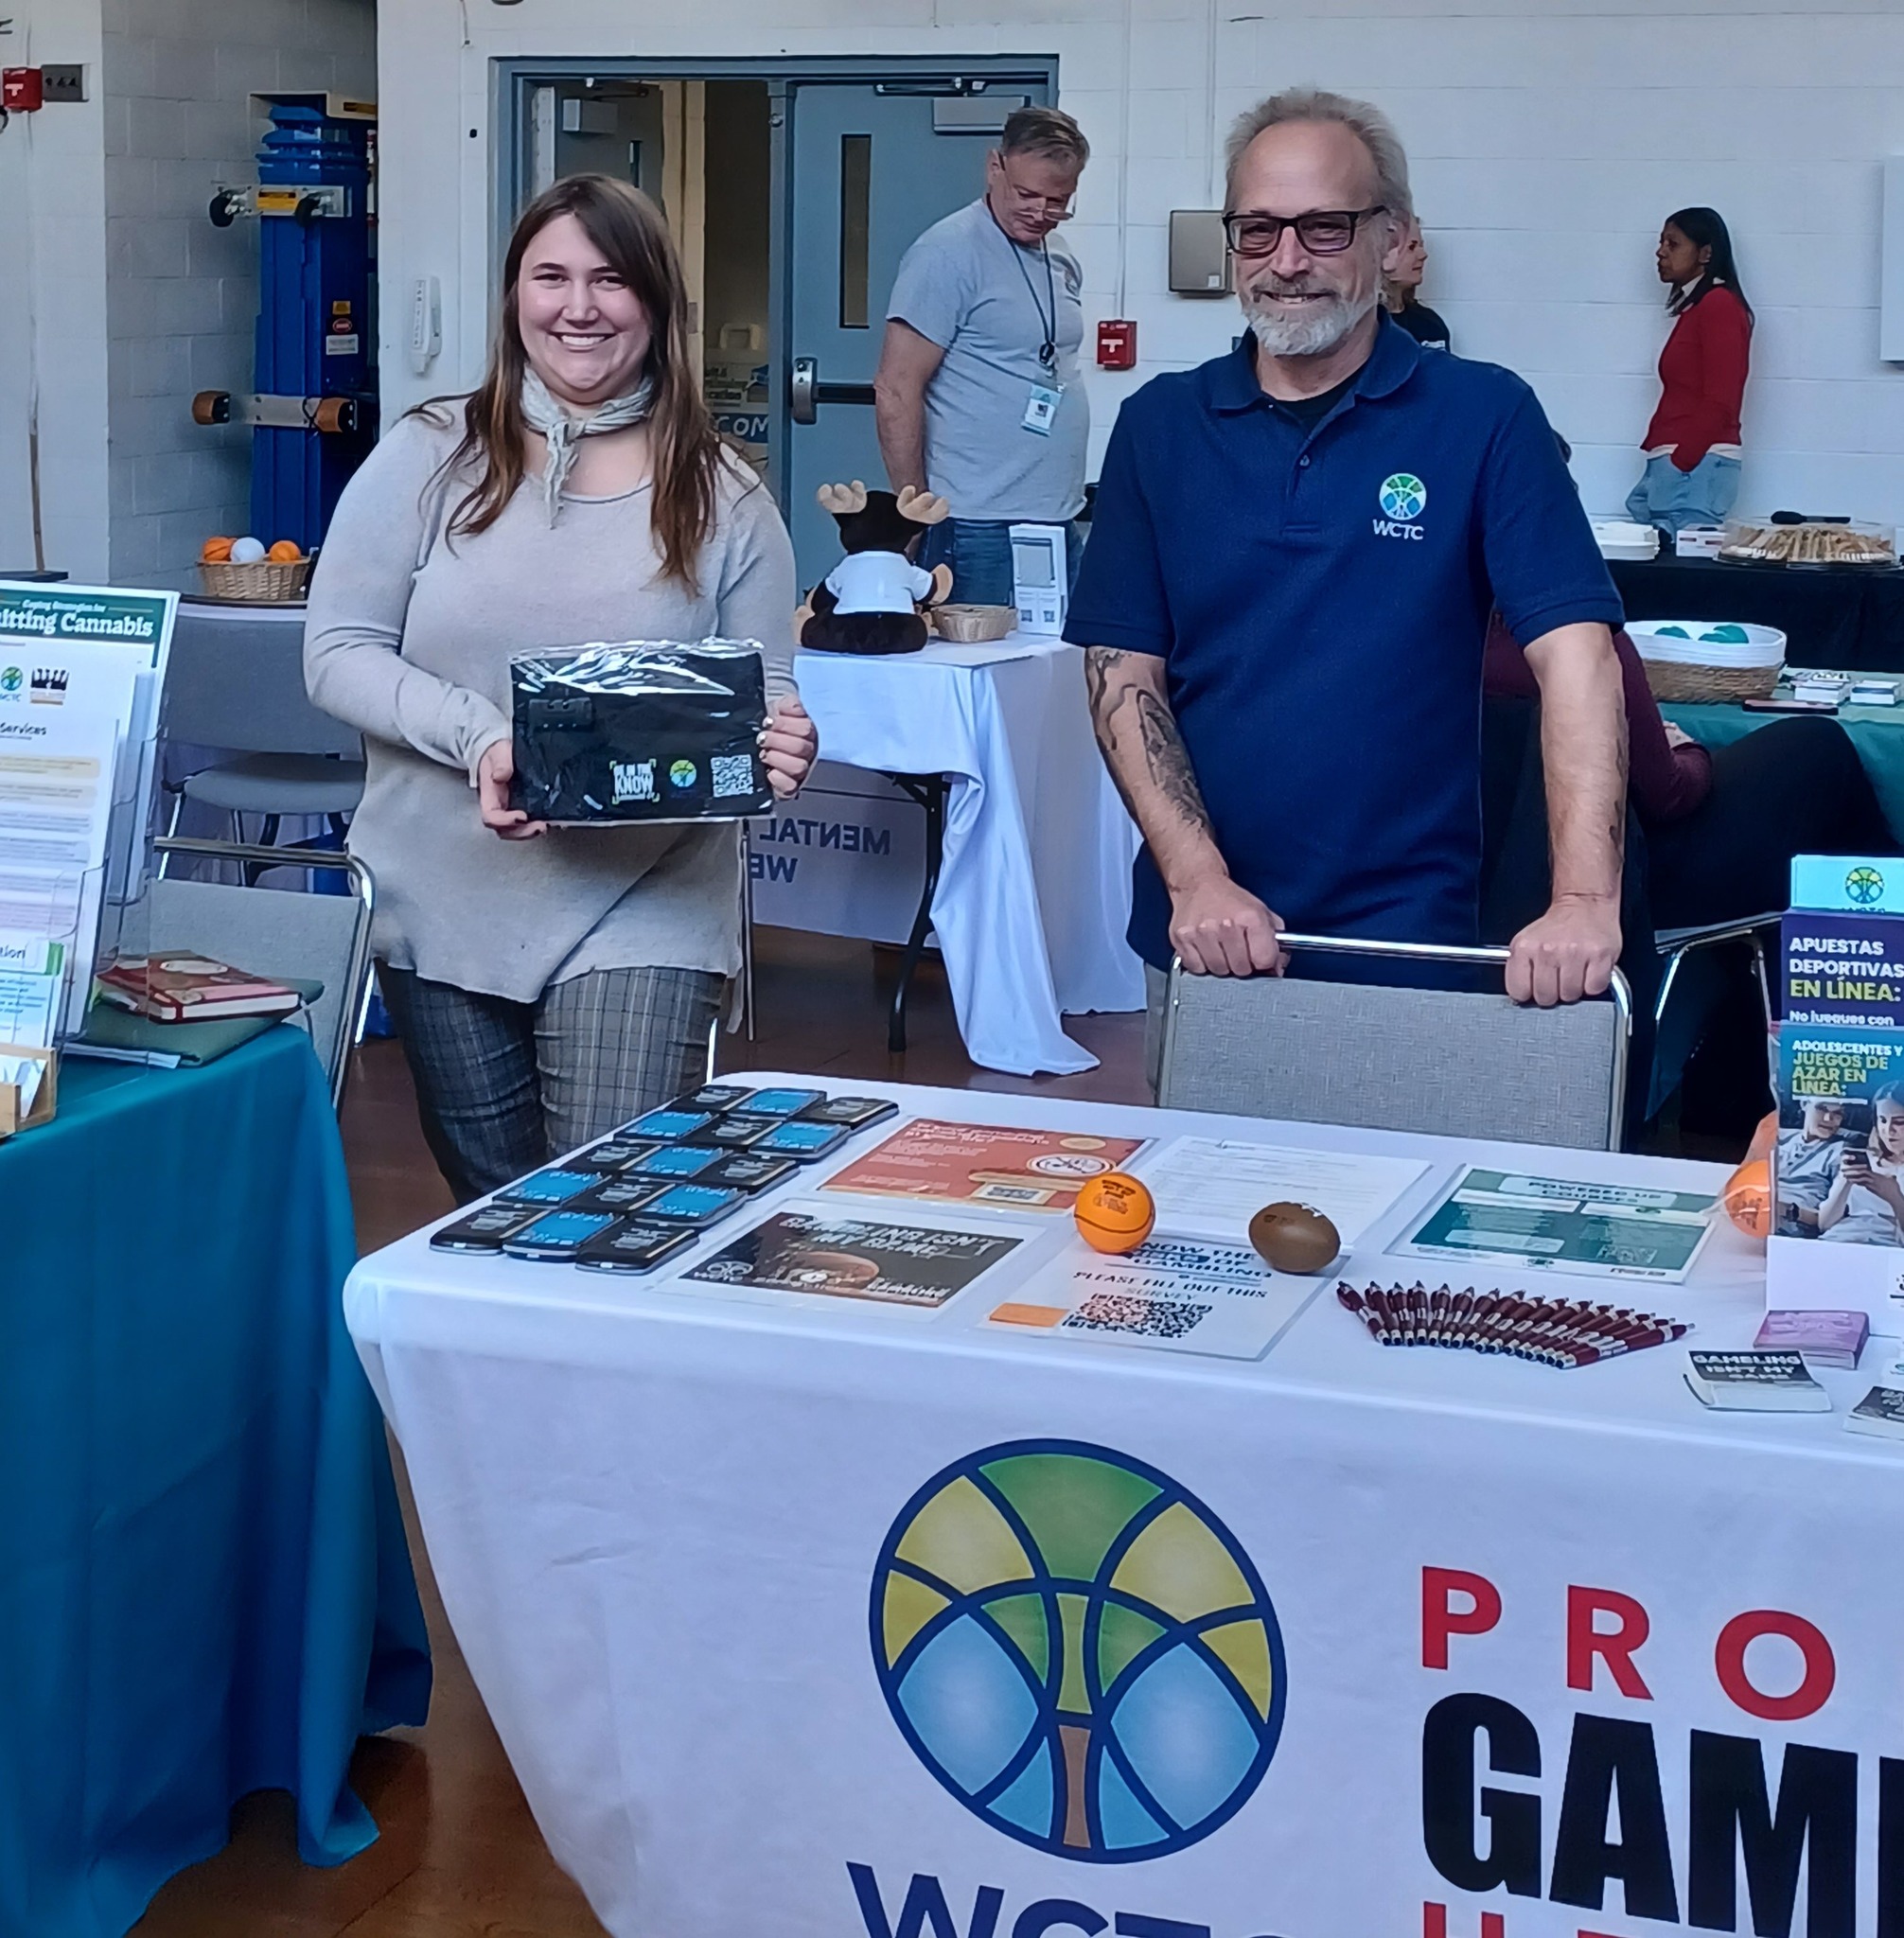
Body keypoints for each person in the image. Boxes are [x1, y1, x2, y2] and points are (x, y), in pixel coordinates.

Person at [1067, 87, 1628, 1090]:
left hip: (1404, 938)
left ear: (1392, 240)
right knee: (1200, 1226)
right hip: (1206, 933)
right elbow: (1121, 674)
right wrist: (1198, 880)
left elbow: (1575, 656)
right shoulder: (1158, 426)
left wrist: (1583, 897)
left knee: (1382, 1228)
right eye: (1258, 229)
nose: (1287, 261)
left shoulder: (1483, 416)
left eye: (1324, 227)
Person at [306, 174, 818, 1203]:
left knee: (606, 1204)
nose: (578, 307)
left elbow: (762, 693)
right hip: (440, 892)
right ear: (514, 297)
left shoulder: (725, 492)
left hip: (646, 896)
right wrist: (482, 737)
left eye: (610, 279)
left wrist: (784, 741)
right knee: (501, 1209)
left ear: (656, 305)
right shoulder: (424, 457)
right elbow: (337, 651)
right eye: (551, 276)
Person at [1484, 615, 1892, 927]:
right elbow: (1670, 795)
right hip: (1627, 884)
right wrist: (1687, 748)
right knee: (1819, 744)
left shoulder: (1435, 637)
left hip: (1466, 888)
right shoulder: (1581, 641)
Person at [875, 105, 1091, 607]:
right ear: (994, 167)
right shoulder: (946, 253)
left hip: (1057, 517)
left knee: (1057, 679)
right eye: (1027, 194)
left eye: (1059, 201)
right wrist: (915, 511)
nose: (1040, 212)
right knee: (984, 674)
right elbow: (895, 388)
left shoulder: (1057, 256)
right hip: (976, 523)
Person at [1626, 207, 1752, 537]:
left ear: (1706, 253)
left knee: (1685, 575)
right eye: (1661, 242)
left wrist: (1682, 460)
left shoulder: (1718, 305)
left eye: (1674, 243)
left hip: (1694, 463)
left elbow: (1722, 397)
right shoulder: (1696, 308)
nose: (1661, 251)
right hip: (1680, 461)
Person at [1818, 1086, 1904, 1245]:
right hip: (1837, 1241)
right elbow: (1824, 1225)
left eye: (1899, 1122)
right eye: (1882, 1120)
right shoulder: (1866, 1160)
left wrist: (1895, 1197)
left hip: (1886, 1250)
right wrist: (1845, 1181)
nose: (1888, 1130)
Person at [1775, 1098, 1847, 1235]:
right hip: (1754, 1210)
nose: (1828, 1119)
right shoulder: (1778, 1136)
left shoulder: (1841, 1151)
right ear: (1804, 1104)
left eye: (1838, 1113)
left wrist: (1788, 1211)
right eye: (1822, 1109)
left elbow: (1833, 1217)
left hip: (1795, 1224)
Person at [1384, 216, 1449, 350]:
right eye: (1411, 247)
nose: (1423, 255)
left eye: (1421, 246)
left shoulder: (1428, 324)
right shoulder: (1358, 328)